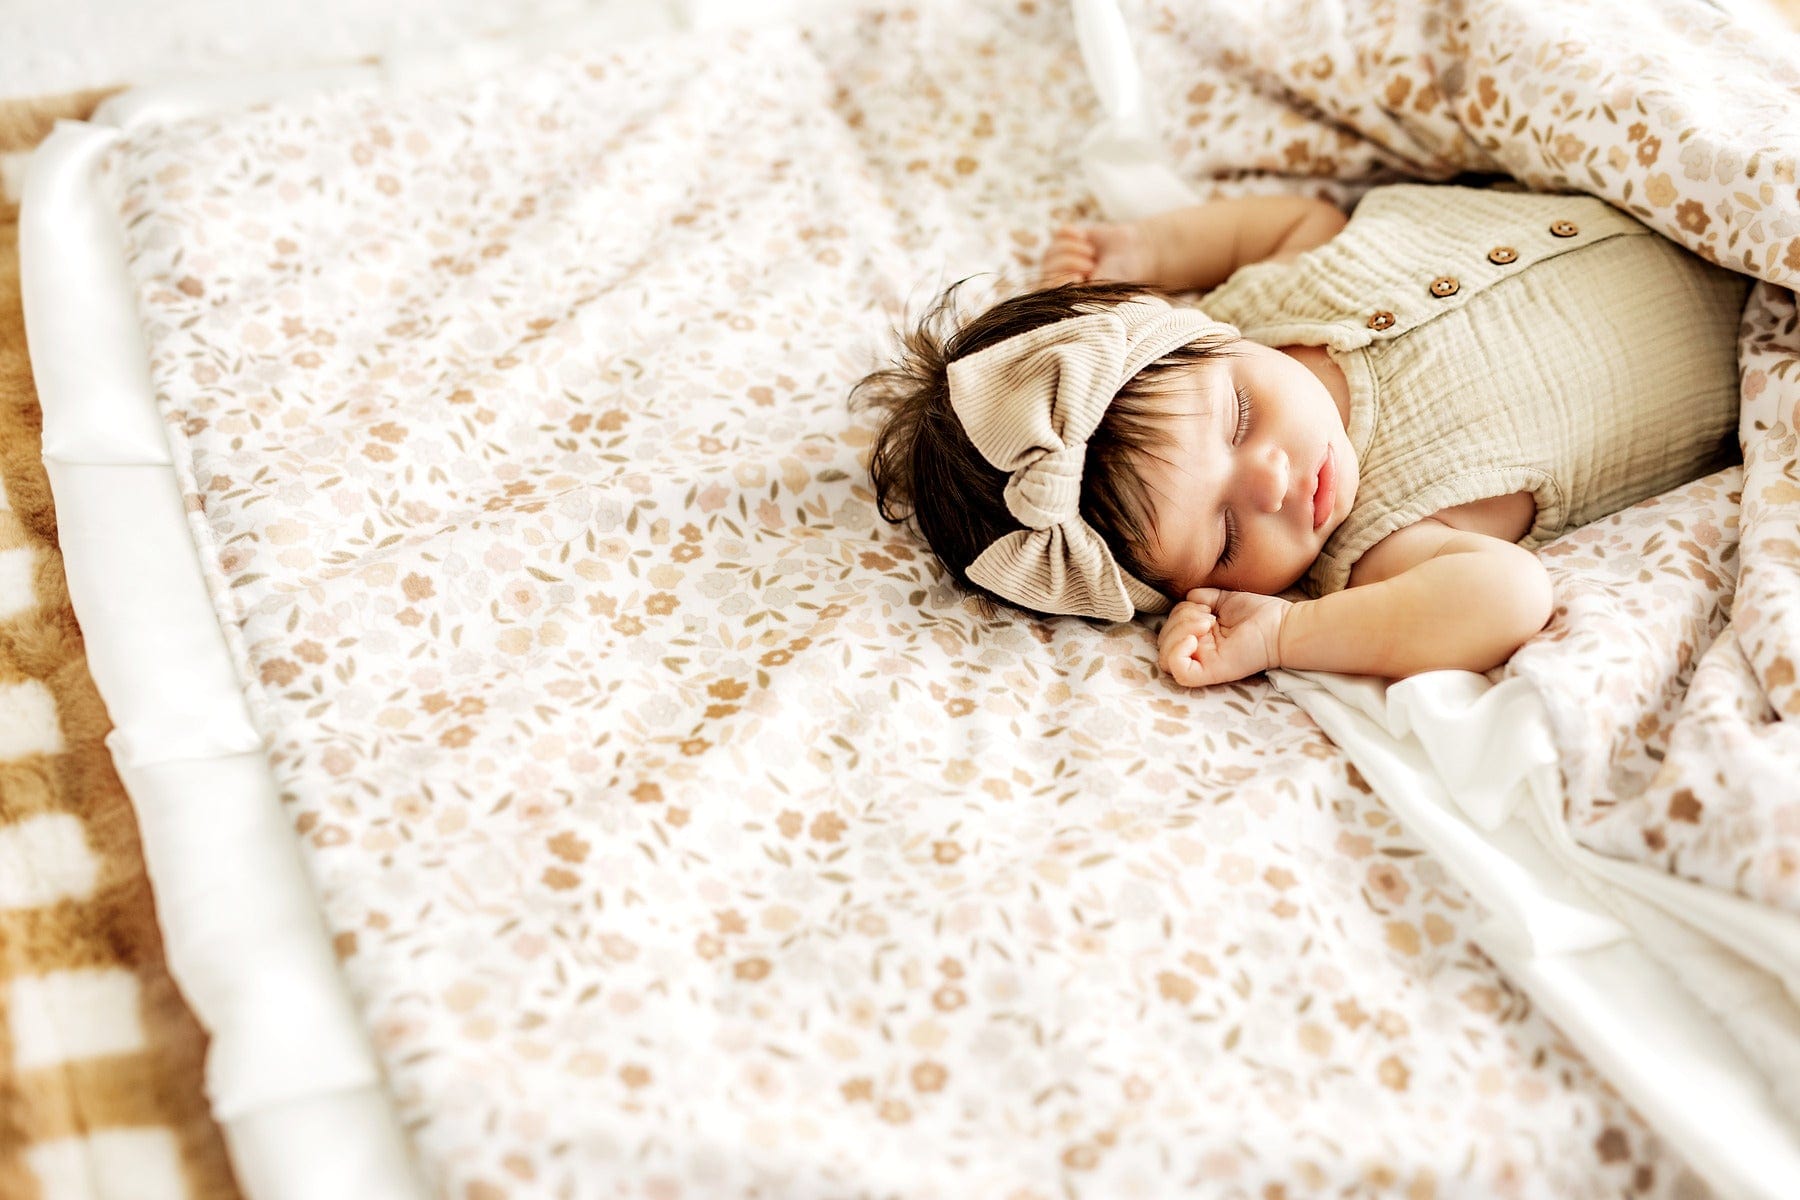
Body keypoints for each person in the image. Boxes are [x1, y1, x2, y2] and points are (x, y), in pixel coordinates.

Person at [852, 184, 1749, 688]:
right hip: (1754, 315)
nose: (1273, 484)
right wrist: (1286, 634)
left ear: (1193, 332)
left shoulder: (1260, 306)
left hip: (1670, 179)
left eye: (1239, 419)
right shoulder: (1373, 552)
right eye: (1231, 537)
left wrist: (1151, 249)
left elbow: (1298, 220)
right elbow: (1507, 597)